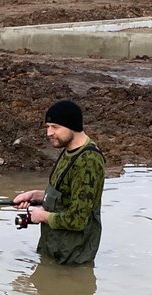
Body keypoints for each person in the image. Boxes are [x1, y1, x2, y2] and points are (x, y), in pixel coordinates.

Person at [13, 100, 106, 265]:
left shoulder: (88, 161)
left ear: (72, 126)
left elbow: (78, 219)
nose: (49, 133)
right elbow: (66, 196)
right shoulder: (69, 150)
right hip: (55, 249)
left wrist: (41, 216)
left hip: (72, 259)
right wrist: (37, 196)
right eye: (47, 127)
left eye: (55, 127)